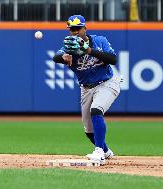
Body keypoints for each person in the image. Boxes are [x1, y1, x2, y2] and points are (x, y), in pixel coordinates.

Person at [53, 15, 121, 165]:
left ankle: (99, 152)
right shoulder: (69, 47)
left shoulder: (99, 40)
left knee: (96, 110)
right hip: (86, 88)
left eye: (78, 28)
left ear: (85, 28)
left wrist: (89, 50)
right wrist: (63, 56)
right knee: (89, 132)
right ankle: (106, 151)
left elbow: (113, 59)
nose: (75, 32)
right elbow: (55, 57)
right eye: (72, 29)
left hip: (107, 82)